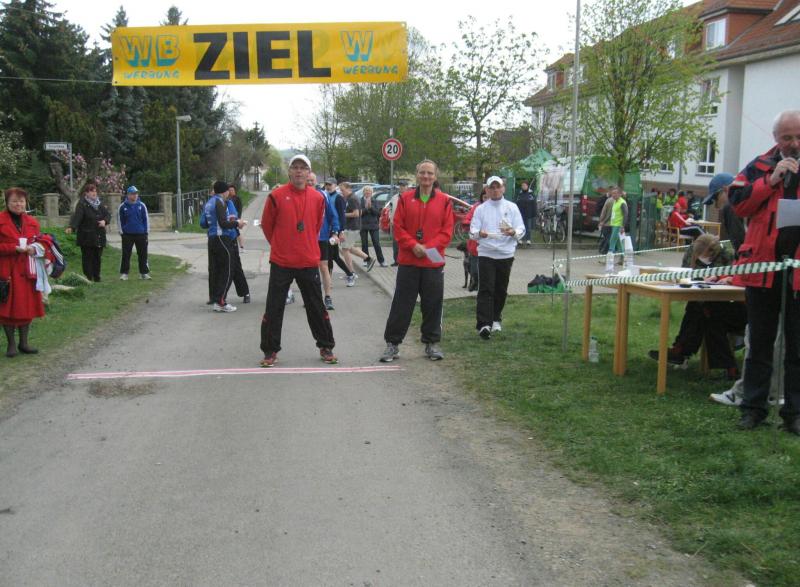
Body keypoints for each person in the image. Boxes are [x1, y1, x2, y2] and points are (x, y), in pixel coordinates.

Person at [730, 109, 800, 435]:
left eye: (799, 137)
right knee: (759, 343)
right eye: (787, 137)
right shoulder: (758, 166)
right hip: (763, 270)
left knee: (797, 347)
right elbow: (738, 203)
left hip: (797, 273)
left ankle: (794, 413)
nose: (794, 143)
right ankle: (753, 408)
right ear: (776, 139)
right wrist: (770, 181)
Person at [260, 154, 336, 367]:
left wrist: (306, 244)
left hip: (308, 260)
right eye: (295, 167)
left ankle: (326, 346)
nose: (299, 171)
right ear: (289, 171)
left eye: (303, 168)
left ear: (309, 172)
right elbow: (267, 225)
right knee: (274, 307)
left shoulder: (318, 198)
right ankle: (270, 350)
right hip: (281, 261)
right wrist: (280, 244)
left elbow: (316, 225)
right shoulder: (276, 196)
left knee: (316, 306)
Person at [379, 160, 454, 362]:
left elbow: (447, 231)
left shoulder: (444, 201)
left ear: (435, 176)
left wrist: (427, 248)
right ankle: (392, 344)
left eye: (430, 173)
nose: (426, 176)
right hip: (409, 262)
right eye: (422, 172)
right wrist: (413, 245)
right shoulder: (404, 199)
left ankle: (432, 343)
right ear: (417, 175)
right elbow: (398, 227)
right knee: (401, 305)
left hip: (432, 263)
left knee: (432, 304)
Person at [647, 234, 746, 378]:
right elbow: (736, 272)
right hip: (731, 303)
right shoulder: (743, 253)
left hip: (746, 308)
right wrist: (719, 277)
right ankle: (685, 352)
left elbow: (746, 278)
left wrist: (730, 279)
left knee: (708, 314)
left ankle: (682, 351)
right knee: (701, 308)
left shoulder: (731, 255)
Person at [470, 176, 525, 339]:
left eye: (497, 187)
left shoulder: (512, 207)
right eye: (491, 188)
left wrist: (513, 232)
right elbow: (472, 232)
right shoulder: (480, 209)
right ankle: (483, 324)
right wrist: (479, 234)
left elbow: (521, 229)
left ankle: (495, 319)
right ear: (486, 190)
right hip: (486, 253)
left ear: (503, 189)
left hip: (505, 254)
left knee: (501, 289)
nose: (495, 190)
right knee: (486, 288)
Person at [0, 187, 47, 357]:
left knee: (27, 306)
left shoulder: (32, 222)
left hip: (28, 270)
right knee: (7, 308)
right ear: (7, 202)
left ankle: (24, 343)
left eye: (21, 201)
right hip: (7, 270)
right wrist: (13, 248)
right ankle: (11, 345)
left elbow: (41, 242)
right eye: (14, 201)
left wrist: (35, 248)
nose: (18, 204)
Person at [202, 180, 246, 312]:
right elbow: (223, 223)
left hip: (212, 238)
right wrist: (237, 223)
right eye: (227, 191)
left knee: (219, 270)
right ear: (224, 191)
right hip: (221, 238)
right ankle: (221, 301)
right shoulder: (219, 202)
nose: (229, 193)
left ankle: (217, 300)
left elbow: (205, 222)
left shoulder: (209, 202)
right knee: (228, 270)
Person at [66, 183, 110, 282]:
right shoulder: (82, 204)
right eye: (91, 191)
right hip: (86, 236)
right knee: (87, 258)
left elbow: (107, 215)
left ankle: (97, 277)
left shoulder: (99, 204)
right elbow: (77, 217)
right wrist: (72, 227)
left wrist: (104, 221)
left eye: (95, 191)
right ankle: (89, 277)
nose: (94, 193)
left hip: (99, 235)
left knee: (97, 257)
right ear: (86, 193)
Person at [311, 172, 342, 310]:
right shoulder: (300, 195)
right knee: (309, 269)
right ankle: (312, 297)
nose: (309, 182)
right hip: (307, 239)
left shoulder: (323, 195)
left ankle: (328, 297)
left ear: (316, 181)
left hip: (322, 237)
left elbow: (333, 215)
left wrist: (335, 232)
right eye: (307, 180)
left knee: (323, 266)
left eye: (312, 180)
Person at [339, 182, 372, 286]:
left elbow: (356, 213)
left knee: (345, 249)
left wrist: (342, 214)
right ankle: (368, 259)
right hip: (351, 227)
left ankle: (351, 273)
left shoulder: (352, 198)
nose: (341, 192)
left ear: (348, 189)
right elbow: (360, 212)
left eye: (342, 190)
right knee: (349, 247)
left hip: (352, 227)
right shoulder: (350, 198)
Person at [117, 185, 150, 281]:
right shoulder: (122, 207)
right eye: (132, 194)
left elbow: (146, 219)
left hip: (141, 234)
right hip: (127, 235)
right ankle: (124, 274)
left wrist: (146, 232)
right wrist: (122, 232)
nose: (135, 195)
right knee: (126, 254)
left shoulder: (142, 205)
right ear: (128, 195)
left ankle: (144, 273)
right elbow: (120, 220)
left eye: (136, 193)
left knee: (143, 254)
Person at [224, 187, 250, 304]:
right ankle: (219, 297)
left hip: (231, 238)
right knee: (221, 269)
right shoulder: (212, 204)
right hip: (218, 240)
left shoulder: (229, 203)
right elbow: (204, 222)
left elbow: (234, 217)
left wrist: (236, 222)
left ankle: (245, 293)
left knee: (235, 267)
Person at [464, 188, 489, 292]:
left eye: (488, 197)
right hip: (475, 246)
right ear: (481, 197)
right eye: (485, 197)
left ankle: (482, 289)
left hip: (489, 247)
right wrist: (474, 226)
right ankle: (476, 284)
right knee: (474, 270)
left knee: (486, 272)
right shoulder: (476, 207)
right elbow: (466, 220)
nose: (487, 200)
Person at [359, 185, 386, 267]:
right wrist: (366, 209)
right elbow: (359, 213)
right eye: (366, 191)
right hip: (363, 225)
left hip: (373, 225)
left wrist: (370, 207)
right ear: (363, 192)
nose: (367, 192)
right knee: (364, 244)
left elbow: (378, 213)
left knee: (376, 243)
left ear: (371, 192)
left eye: (369, 191)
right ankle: (366, 260)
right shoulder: (360, 201)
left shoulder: (375, 201)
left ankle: (382, 261)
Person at [598, 187, 628, 258]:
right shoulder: (615, 202)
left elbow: (625, 214)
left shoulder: (622, 203)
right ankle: (623, 258)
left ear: (620, 194)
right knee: (618, 243)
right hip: (613, 224)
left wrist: (622, 226)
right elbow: (612, 214)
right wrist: (603, 221)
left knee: (612, 241)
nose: (613, 195)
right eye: (612, 193)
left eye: (615, 193)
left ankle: (608, 259)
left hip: (618, 225)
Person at [228, 184, 245, 250]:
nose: (231, 191)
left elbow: (240, 208)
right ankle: (239, 246)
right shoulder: (227, 198)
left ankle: (241, 246)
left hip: (236, 218)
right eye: (229, 190)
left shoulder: (237, 198)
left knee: (237, 232)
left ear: (235, 191)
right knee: (235, 232)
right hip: (229, 218)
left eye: (232, 190)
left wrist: (239, 218)